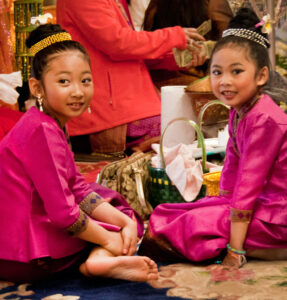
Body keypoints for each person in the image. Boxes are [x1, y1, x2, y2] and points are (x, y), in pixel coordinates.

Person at [0, 23, 158, 283]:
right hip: (26, 256)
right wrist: (112, 238)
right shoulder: (41, 131)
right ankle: (100, 258)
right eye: (64, 81)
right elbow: (64, 213)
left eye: (85, 80)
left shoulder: (47, 122)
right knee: (113, 218)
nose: (78, 91)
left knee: (117, 209)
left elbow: (77, 189)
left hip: (19, 244)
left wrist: (126, 223)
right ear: (37, 88)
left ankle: (101, 257)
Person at [138, 7, 287, 269]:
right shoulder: (240, 109)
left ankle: (271, 248)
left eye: (236, 71)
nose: (224, 81)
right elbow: (231, 164)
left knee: (198, 224)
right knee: (173, 211)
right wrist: (219, 201)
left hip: (279, 214)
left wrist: (235, 249)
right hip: (263, 205)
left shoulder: (265, 119)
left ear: (262, 75)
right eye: (217, 72)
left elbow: (249, 185)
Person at [56, 0, 206, 155]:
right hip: (109, 109)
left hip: (129, 103)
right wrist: (172, 36)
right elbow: (118, 43)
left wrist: (179, 58)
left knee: (186, 135)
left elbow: (132, 49)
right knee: (179, 138)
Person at [142, 0, 233, 88]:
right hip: (199, 82)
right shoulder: (214, 4)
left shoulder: (156, 4)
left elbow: (148, 37)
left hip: (157, 81)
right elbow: (230, 42)